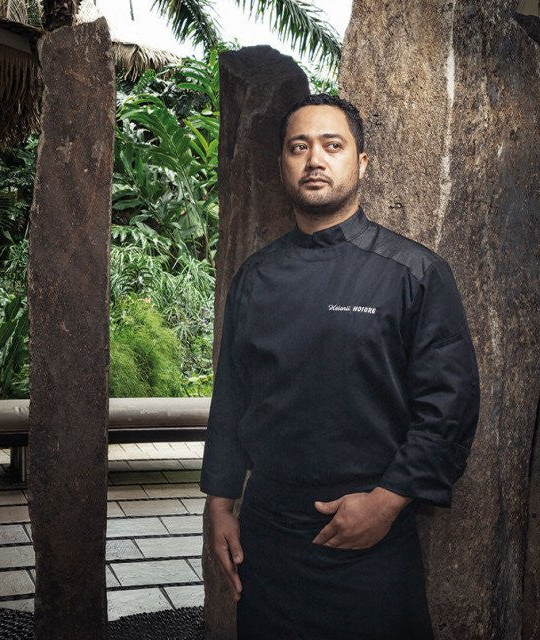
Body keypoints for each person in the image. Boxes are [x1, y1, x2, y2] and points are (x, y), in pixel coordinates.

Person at [199, 93, 481, 640]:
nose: (314, 159)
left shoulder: (413, 273)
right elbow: (232, 396)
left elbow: (451, 405)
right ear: (282, 163)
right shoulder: (256, 277)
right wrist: (221, 500)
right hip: (269, 533)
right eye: (298, 147)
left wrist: (387, 503)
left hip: (371, 534)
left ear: (361, 162)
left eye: (332, 145)